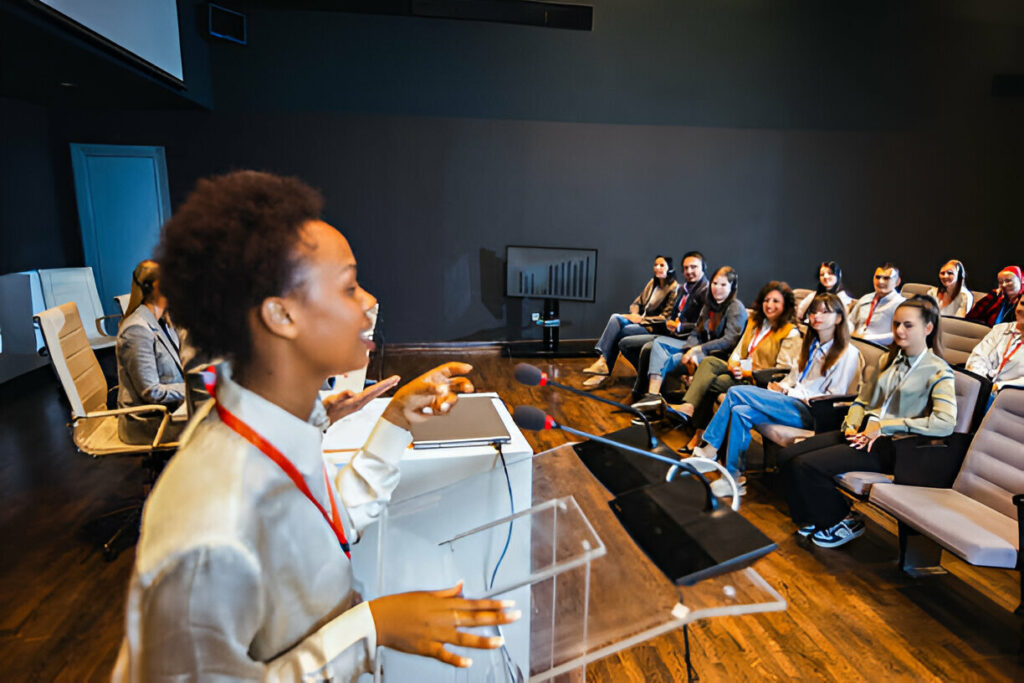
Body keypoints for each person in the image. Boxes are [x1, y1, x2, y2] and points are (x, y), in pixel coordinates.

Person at [112, 171, 519, 681]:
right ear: (281, 315)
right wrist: (372, 627)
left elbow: (326, 528)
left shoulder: (274, 428)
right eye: (349, 287)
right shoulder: (210, 523)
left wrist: (396, 419)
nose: (368, 302)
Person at [781, 296, 956, 549]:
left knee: (805, 465)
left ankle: (842, 519)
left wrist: (885, 426)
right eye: (896, 324)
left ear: (928, 328)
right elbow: (861, 401)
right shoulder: (888, 360)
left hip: (892, 445)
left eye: (908, 325)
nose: (899, 330)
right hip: (862, 432)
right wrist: (850, 425)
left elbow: (945, 423)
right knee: (786, 456)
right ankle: (814, 515)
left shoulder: (938, 370)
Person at [692, 293, 861, 497]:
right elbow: (793, 378)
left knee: (735, 392)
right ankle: (733, 478)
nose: (817, 316)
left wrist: (790, 392)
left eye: (825, 312)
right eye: (814, 312)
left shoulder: (848, 353)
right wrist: (780, 387)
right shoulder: (811, 344)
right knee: (740, 411)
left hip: (813, 412)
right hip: (791, 402)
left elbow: (835, 396)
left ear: (839, 318)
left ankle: (709, 450)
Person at [665, 281, 802, 451]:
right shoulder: (756, 322)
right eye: (766, 300)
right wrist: (733, 364)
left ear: (786, 305)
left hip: (759, 381)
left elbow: (780, 372)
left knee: (712, 382)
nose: (769, 305)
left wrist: (747, 372)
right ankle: (689, 407)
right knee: (708, 362)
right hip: (740, 369)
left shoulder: (790, 333)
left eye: (776, 301)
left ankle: (698, 432)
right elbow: (738, 350)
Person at [633, 266, 747, 403]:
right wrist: (690, 349)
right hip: (698, 349)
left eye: (723, 285)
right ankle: (652, 396)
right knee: (658, 345)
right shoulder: (709, 304)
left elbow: (728, 341)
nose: (717, 288)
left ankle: (652, 398)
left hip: (716, 356)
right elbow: (696, 332)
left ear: (732, 287)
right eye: (715, 283)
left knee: (669, 360)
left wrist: (698, 349)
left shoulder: (735, 307)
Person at [115, 260, 186, 445]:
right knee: (215, 426)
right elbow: (151, 391)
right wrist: (191, 390)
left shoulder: (163, 321)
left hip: (169, 411)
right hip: (148, 422)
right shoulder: (136, 330)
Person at [617, 251, 709, 391]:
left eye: (694, 267)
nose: (689, 271)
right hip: (670, 334)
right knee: (625, 343)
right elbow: (671, 315)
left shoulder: (707, 291)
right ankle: (650, 383)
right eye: (686, 268)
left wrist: (680, 326)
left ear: (703, 268)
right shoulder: (682, 289)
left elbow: (705, 325)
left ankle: (646, 391)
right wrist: (669, 323)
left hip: (689, 340)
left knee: (648, 348)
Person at [582, 255, 678, 388]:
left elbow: (665, 318)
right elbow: (636, 303)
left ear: (670, 268)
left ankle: (602, 371)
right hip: (639, 321)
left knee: (622, 331)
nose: (657, 268)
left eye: (662, 265)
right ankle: (602, 362)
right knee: (615, 318)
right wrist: (634, 315)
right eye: (655, 265)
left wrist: (641, 319)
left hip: (653, 327)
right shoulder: (652, 284)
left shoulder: (674, 289)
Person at [965, 297, 1024, 406]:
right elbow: (978, 358)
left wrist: (999, 387)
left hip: (1010, 400)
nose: (1023, 309)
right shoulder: (1001, 329)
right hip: (981, 389)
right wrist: (982, 384)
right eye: (1022, 303)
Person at [848, 263, 905, 345]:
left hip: (878, 348)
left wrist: (865, 338)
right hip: (853, 342)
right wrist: (848, 333)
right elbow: (850, 321)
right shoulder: (865, 298)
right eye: (877, 277)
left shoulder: (901, 305)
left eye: (886, 278)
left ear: (897, 281)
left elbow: (898, 334)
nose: (880, 281)